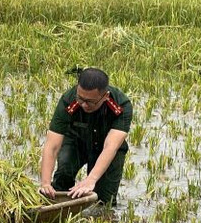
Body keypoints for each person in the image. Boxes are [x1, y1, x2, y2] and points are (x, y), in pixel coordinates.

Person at [39, 68, 133, 205]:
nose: (83, 104)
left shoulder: (121, 105)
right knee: (63, 175)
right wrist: (45, 183)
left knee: (104, 201)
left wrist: (91, 180)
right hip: (75, 141)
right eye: (80, 98)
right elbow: (52, 146)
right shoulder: (68, 100)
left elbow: (110, 147)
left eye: (90, 102)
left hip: (106, 147)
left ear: (105, 96)